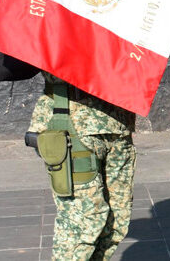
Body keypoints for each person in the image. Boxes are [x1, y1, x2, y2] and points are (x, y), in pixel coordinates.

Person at [29, 73, 136, 259]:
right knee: (84, 221)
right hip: (71, 124)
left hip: (118, 124)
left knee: (116, 219)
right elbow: (0, 66)